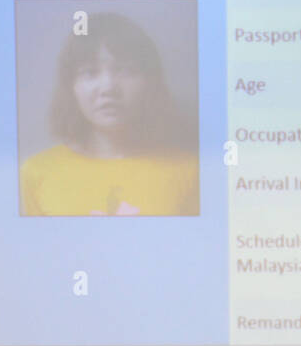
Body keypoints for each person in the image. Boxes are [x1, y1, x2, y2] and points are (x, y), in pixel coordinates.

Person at [20, 11, 199, 216]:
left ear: (150, 83)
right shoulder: (38, 172)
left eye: (125, 70)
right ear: (71, 87)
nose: (108, 88)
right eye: (90, 72)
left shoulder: (188, 171)